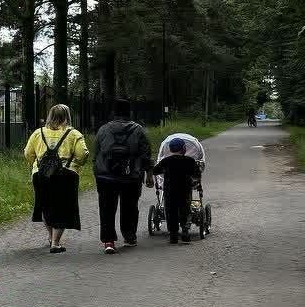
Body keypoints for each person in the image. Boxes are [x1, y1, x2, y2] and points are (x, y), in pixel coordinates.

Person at [24, 103, 89, 254]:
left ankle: (50, 236)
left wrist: (35, 165)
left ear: (49, 116)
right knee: (62, 207)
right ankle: (55, 242)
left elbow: (28, 153)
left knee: (45, 206)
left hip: (41, 175)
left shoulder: (38, 133)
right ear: (67, 117)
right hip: (65, 175)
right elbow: (82, 155)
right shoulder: (73, 134)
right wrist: (76, 164)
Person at [93, 99, 153, 254]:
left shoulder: (103, 129)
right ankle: (129, 236)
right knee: (130, 206)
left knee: (106, 208)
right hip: (131, 176)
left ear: (113, 113)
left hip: (106, 176)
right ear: (130, 112)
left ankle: (109, 241)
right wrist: (149, 174)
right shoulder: (139, 130)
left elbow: (96, 154)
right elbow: (145, 154)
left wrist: (98, 173)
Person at [153, 136, 200, 244]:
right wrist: (195, 182)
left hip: (169, 190)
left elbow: (155, 171)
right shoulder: (190, 161)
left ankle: (173, 235)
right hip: (185, 190)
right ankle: (185, 231)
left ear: (170, 149)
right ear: (183, 148)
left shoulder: (166, 161)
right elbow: (196, 175)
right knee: (185, 209)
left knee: (171, 211)